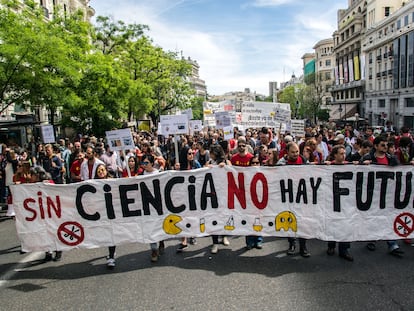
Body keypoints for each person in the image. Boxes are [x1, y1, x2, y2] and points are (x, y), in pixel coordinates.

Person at [360, 135, 404, 257]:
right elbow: (357, 172)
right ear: (376, 146)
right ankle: (372, 239)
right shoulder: (368, 157)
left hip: (388, 194)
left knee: (388, 217)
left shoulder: (391, 159)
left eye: (386, 145)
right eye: (382, 145)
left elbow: (401, 170)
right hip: (372, 194)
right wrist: (363, 165)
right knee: (373, 217)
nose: (385, 147)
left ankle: (392, 244)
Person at [277, 142, 310, 257]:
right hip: (288, 197)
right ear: (287, 152)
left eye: (297, 152)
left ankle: (303, 246)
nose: (296, 154)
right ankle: (291, 244)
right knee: (289, 221)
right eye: (293, 152)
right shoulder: (281, 163)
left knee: (303, 222)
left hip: (301, 196)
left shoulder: (304, 161)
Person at [325, 145, 354, 261]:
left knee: (346, 225)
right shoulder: (329, 166)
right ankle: (331, 245)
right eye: (341, 153)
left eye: (344, 153)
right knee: (333, 223)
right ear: (335, 155)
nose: (343, 155)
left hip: (346, 201)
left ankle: (344, 249)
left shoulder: (349, 166)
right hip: (332, 200)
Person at [29, 166, 62, 261]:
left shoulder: (48, 182)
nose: (31, 177)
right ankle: (48, 252)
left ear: (37, 175)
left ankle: (58, 250)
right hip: (40, 211)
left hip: (51, 211)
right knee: (44, 232)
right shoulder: (32, 184)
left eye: (32, 175)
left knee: (53, 231)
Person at [175, 146, 201, 252]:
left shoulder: (196, 164)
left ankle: (192, 235)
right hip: (183, 195)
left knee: (193, 216)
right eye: (189, 153)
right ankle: (184, 240)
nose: (191, 156)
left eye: (192, 153)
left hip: (194, 194)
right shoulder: (180, 166)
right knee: (183, 217)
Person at [207, 144, 231, 254]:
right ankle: (215, 242)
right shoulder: (210, 162)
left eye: (211, 152)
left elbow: (232, 171)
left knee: (224, 216)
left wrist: (224, 167)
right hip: (212, 194)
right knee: (214, 218)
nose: (209, 154)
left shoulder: (226, 162)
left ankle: (224, 236)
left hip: (223, 194)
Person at [141, 154, 165, 262]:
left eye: (146, 163)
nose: (144, 165)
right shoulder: (141, 175)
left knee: (159, 225)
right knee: (150, 227)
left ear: (152, 163)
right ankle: (154, 250)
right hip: (147, 205)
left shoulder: (159, 174)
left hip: (158, 204)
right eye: (143, 163)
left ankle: (161, 240)